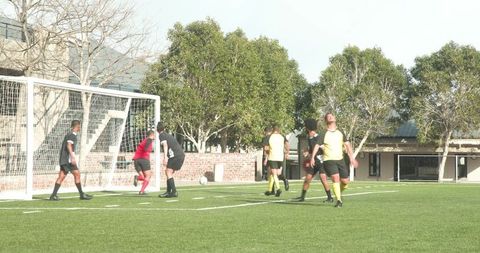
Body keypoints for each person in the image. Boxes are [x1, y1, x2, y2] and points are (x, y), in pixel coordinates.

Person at [311, 113, 358, 208]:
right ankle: (339, 201)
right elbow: (316, 146)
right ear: (326, 120)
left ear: (335, 118)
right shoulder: (323, 133)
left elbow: (348, 145)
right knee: (335, 178)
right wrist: (312, 157)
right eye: (328, 117)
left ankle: (337, 192)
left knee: (345, 182)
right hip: (329, 160)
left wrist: (352, 158)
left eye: (332, 116)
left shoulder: (340, 132)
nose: (330, 117)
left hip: (340, 160)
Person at [49, 120, 92, 201]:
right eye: (79, 126)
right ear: (78, 127)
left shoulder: (69, 134)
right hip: (67, 160)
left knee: (63, 176)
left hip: (64, 159)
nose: (80, 128)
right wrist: (72, 157)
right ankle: (81, 194)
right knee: (76, 174)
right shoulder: (72, 135)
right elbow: (69, 145)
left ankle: (53, 195)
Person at [297, 118, 334, 202]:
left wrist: (322, 148)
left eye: (305, 126)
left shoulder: (319, 137)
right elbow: (311, 148)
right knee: (307, 178)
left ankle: (329, 197)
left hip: (321, 161)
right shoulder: (309, 137)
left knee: (323, 178)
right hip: (313, 161)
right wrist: (307, 151)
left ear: (308, 127)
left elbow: (325, 147)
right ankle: (302, 197)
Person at [157, 122, 185, 198]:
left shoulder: (161, 135)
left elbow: (165, 145)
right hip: (180, 155)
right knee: (168, 172)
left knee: (168, 172)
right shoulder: (168, 135)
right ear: (164, 128)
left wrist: (165, 157)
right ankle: (169, 191)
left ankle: (174, 191)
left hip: (175, 156)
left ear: (157, 130)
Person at [263, 125, 289, 197]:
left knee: (273, 173)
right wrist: (287, 153)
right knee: (275, 174)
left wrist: (266, 158)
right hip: (280, 157)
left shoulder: (269, 137)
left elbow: (266, 148)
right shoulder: (282, 137)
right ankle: (270, 190)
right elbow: (287, 145)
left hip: (272, 157)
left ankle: (278, 189)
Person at [133, 130, 156, 195]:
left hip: (136, 160)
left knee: (143, 177)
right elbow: (146, 147)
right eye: (154, 135)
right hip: (144, 159)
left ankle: (137, 178)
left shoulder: (144, 140)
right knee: (148, 176)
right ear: (152, 135)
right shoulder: (149, 140)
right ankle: (141, 191)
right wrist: (146, 149)